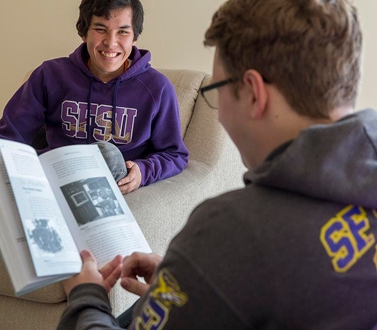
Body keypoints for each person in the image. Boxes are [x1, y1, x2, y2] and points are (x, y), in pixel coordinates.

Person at [56, 0, 377, 329]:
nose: (220, 111)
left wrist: (86, 296)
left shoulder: (230, 230)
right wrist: (197, 282)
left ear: (253, 93)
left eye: (217, 90)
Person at [0, 0, 189, 328]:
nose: (111, 43)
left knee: (108, 153)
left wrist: (143, 170)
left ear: (135, 37)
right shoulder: (51, 75)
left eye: (122, 32)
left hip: (89, 197)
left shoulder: (156, 89)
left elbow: (176, 154)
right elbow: (5, 139)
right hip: (39, 192)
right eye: (100, 29)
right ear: (84, 30)